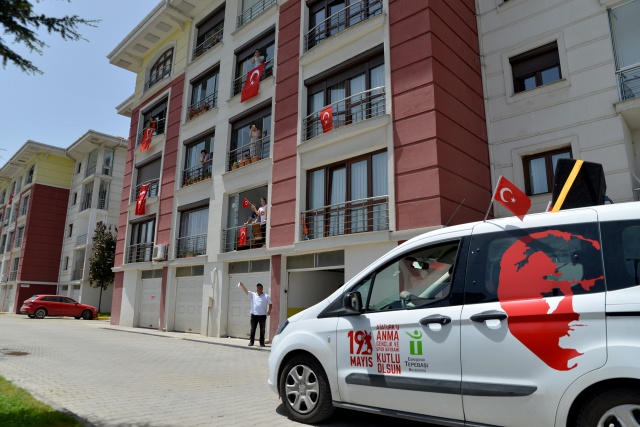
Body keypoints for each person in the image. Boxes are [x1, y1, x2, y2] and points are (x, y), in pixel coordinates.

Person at [237, 281, 272, 347]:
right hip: (254, 315)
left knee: (262, 330)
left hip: (262, 316)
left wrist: (269, 310)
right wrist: (242, 285)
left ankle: (262, 343)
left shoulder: (266, 296)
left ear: (262, 289)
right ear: (256, 288)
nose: (258, 289)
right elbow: (246, 291)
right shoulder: (253, 295)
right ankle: (251, 342)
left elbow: (270, 304)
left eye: (260, 288)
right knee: (253, 329)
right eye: (257, 288)